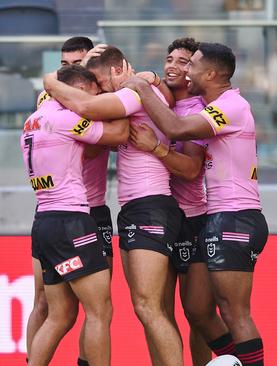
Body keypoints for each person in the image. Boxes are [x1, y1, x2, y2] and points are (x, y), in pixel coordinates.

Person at [122, 42, 268, 366]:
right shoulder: (211, 105)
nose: (185, 70)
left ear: (211, 73)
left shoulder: (232, 106)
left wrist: (140, 86)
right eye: (173, 61)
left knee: (234, 311)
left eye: (191, 64)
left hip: (235, 217)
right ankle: (232, 362)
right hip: (220, 216)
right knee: (199, 311)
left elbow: (177, 135)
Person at [44, 46, 184, 366]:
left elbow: (88, 104)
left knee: (149, 307)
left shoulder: (132, 92)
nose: (97, 87)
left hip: (151, 205)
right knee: (148, 307)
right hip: (136, 207)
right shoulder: (139, 88)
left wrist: (50, 81)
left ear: (117, 70)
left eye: (98, 79)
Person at [129, 37, 231, 366]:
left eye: (183, 62)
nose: (172, 65)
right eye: (169, 58)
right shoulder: (162, 103)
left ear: (198, 72)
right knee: (155, 311)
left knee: (197, 313)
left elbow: (190, 170)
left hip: (192, 218)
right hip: (156, 215)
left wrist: (156, 148)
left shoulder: (198, 111)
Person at [25, 65, 129, 366]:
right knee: (100, 310)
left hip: (44, 221)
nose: (96, 100)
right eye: (95, 93)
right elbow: (119, 133)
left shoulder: (33, 119)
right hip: (71, 221)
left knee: (59, 316)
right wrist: (122, 93)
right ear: (79, 90)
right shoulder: (66, 118)